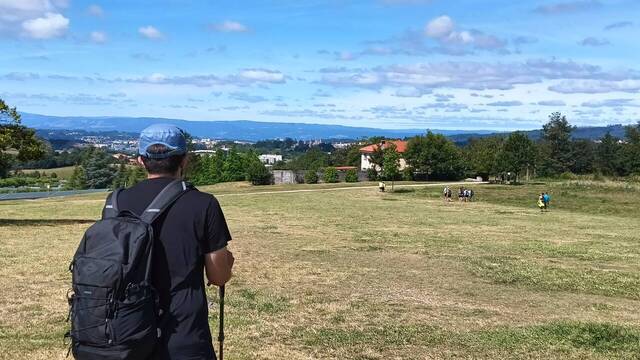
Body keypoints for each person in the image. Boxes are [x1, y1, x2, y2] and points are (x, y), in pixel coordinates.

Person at [103, 124, 234, 360]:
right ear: (184, 160)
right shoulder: (203, 204)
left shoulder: (115, 203)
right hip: (183, 336)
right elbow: (218, 276)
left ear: (140, 161)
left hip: (123, 334)